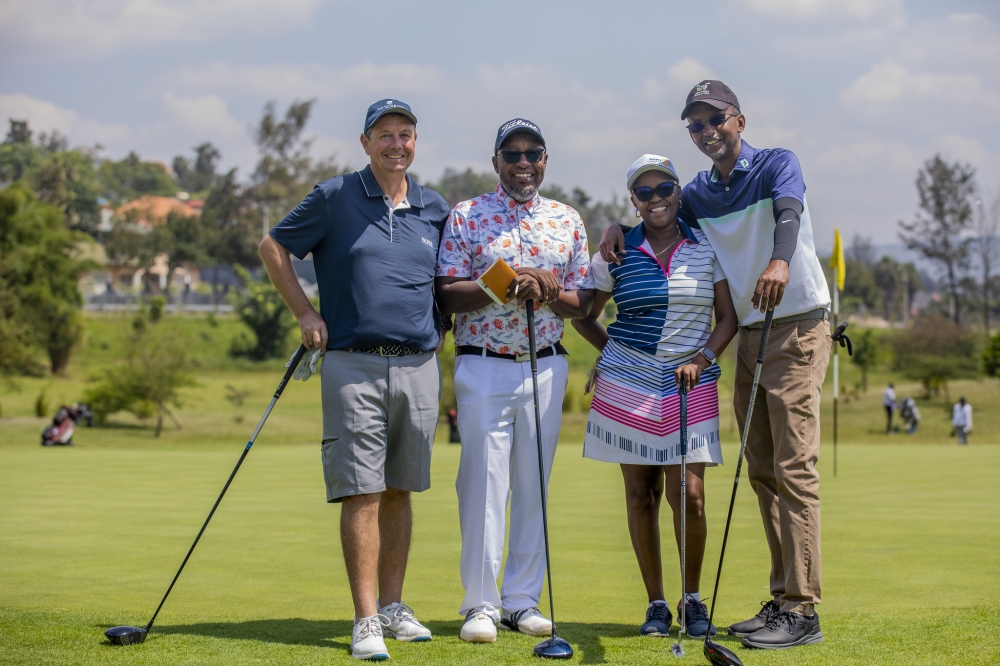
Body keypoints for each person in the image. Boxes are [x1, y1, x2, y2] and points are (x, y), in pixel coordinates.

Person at [600, 80, 832, 650]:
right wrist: (614, 230)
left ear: (740, 120)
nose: (707, 133)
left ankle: (802, 611)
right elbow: (661, 214)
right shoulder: (699, 192)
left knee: (795, 467)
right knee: (761, 470)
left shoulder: (777, 163)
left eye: (715, 120)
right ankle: (781, 600)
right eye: (695, 125)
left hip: (798, 326)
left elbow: (789, 211)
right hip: (749, 335)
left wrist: (780, 260)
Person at [259, 99, 450, 660]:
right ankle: (366, 618)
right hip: (353, 363)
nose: (397, 144)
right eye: (385, 135)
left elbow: (449, 282)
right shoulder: (335, 196)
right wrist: (304, 312)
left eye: (406, 134)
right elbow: (273, 246)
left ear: (416, 142)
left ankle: (393, 606)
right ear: (366, 142)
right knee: (362, 490)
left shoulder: (435, 208)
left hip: (418, 366)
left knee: (400, 489)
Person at [435, 118, 594, 643]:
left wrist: (546, 290)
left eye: (534, 153)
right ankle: (481, 604)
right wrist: (504, 280)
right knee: (482, 483)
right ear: (496, 161)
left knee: (534, 485)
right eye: (513, 154)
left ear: (546, 160)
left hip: (545, 363)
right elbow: (447, 294)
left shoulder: (567, 219)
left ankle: (522, 600)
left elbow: (582, 304)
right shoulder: (466, 215)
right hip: (482, 362)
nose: (524, 163)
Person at [573, 154, 738, 639]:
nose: (656, 198)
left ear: (677, 190)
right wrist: (615, 355)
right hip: (629, 385)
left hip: (691, 380)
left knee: (688, 494)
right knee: (639, 496)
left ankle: (693, 599)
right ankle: (658, 604)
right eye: (643, 193)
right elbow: (584, 312)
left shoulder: (705, 246)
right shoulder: (617, 250)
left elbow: (727, 317)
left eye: (663, 187)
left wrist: (703, 358)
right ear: (633, 201)